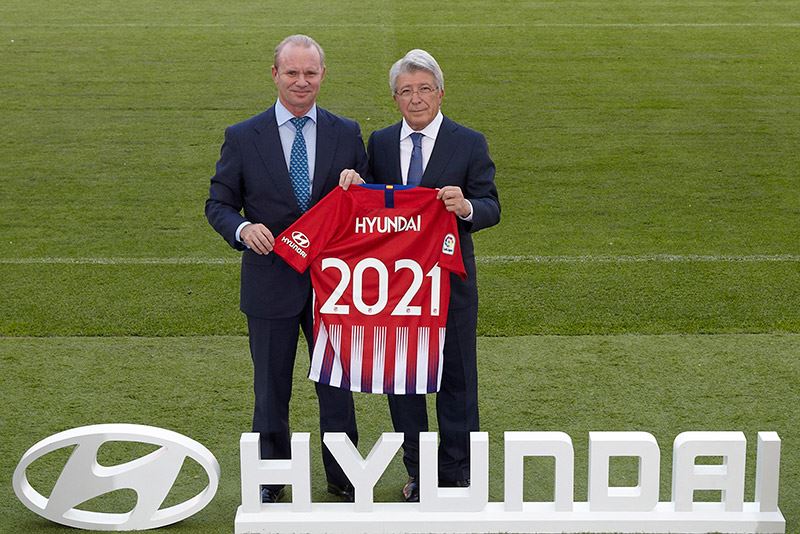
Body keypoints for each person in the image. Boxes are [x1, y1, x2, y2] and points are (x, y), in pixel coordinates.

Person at [205, 34, 367, 503]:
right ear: (274, 74)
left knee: (336, 386)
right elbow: (218, 202)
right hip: (269, 281)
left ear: (323, 75)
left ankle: (343, 476)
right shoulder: (242, 136)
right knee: (271, 389)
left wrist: (362, 183)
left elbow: (372, 204)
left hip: (334, 286)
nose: (301, 81)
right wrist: (241, 229)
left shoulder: (346, 132)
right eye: (292, 73)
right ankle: (271, 479)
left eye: (310, 73)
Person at [358, 49, 500, 501]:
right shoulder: (379, 143)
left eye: (423, 89)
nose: (415, 99)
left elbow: (492, 205)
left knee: (457, 379)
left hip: (451, 283)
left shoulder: (469, 141)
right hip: (397, 288)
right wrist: (353, 183)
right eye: (405, 91)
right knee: (404, 380)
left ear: (440, 92)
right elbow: (367, 203)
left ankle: (459, 473)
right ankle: (419, 473)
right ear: (395, 99)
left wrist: (468, 208)